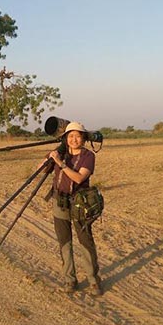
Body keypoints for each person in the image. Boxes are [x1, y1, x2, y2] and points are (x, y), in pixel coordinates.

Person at [46, 122, 102, 296]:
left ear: (84, 138)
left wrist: (61, 163)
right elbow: (41, 169)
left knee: (85, 242)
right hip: (60, 202)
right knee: (65, 243)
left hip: (81, 204)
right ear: (65, 139)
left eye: (78, 136)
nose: (74, 139)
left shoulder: (88, 156)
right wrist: (50, 157)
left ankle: (93, 280)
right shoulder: (60, 153)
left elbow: (78, 178)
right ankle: (70, 280)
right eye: (70, 136)